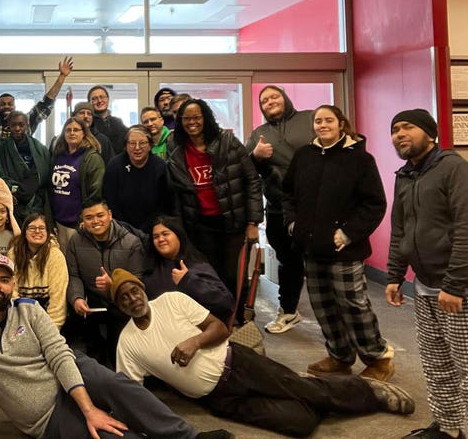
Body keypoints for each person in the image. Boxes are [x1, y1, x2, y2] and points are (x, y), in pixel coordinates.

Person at [0, 254, 230, 439]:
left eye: (5, 280)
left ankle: (187, 436)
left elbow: (59, 354)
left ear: (14, 286)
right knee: (110, 433)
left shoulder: (29, 309)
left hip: (69, 370)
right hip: (45, 414)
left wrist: (88, 407)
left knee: (119, 385)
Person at [110, 269, 416, 438]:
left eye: (134, 290)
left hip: (238, 363)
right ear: (119, 306)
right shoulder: (128, 342)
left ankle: (370, 391)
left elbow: (219, 328)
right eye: (124, 297)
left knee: (310, 392)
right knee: (301, 424)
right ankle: (310, 390)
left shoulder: (171, 301)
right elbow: (130, 391)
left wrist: (193, 343)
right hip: (218, 399)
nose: (132, 298)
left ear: (142, 289)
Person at [385, 109, 468, 439]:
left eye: (408, 128)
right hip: (426, 288)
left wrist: (455, 285)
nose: (400, 134)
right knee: (438, 366)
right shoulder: (405, 175)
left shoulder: (455, 169)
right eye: (394, 130)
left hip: (463, 290)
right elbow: (400, 228)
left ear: (430, 133)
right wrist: (393, 275)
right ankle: (448, 428)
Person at [282, 104, 393, 380]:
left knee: (352, 303)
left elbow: (374, 204)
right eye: (318, 121)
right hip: (310, 246)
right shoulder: (304, 155)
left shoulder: (360, 160)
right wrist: (292, 222)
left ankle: (378, 357)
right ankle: (340, 356)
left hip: (345, 248)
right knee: (323, 305)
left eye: (328, 120)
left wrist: (348, 232)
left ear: (341, 124)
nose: (322, 125)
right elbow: (287, 193)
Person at [167, 98, 262, 323]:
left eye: (196, 117)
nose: (192, 122)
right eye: (186, 118)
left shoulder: (227, 142)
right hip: (199, 225)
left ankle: (238, 320)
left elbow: (252, 180)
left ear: (206, 118)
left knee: (234, 276)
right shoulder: (177, 149)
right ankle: (216, 321)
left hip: (233, 223)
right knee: (208, 274)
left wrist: (253, 222)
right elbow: (177, 193)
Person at [244, 85, 314, 334]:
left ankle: (335, 314)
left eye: (274, 96)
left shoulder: (310, 119)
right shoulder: (259, 133)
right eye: (264, 100)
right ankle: (288, 311)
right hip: (278, 208)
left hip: (315, 206)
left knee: (321, 261)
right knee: (289, 261)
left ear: (285, 98)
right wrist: (256, 155)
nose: (270, 101)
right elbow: (246, 169)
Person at [66, 202, 145, 367]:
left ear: (109, 214)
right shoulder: (75, 240)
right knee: (90, 353)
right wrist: (77, 298)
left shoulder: (131, 242)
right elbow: (74, 275)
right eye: (89, 218)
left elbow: (138, 281)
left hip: (122, 305)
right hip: (92, 304)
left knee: (119, 353)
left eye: (100, 215)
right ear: (82, 220)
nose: (95, 221)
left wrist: (114, 285)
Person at [0, 56, 73, 152]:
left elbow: (46, 103)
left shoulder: (27, 121)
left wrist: (61, 77)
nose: (6, 106)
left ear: (14, 106)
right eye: (2, 104)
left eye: (10, 104)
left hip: (23, 171)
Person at [145, 216, 233, 322]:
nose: (160, 239)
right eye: (155, 237)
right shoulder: (150, 271)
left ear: (178, 236)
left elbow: (226, 303)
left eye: (165, 234)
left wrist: (188, 281)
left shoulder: (197, 265)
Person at [48, 118, 104, 250]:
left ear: (84, 133)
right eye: (68, 130)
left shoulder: (92, 158)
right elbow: (50, 189)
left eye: (76, 130)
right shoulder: (58, 156)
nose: (72, 133)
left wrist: (86, 217)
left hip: (78, 225)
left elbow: (96, 191)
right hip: (58, 224)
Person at [102, 125, 168, 232]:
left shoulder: (160, 167)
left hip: (153, 228)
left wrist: (146, 229)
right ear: (126, 146)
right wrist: (127, 230)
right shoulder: (114, 166)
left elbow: (163, 204)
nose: (137, 148)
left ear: (150, 145)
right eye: (132, 143)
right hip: (120, 229)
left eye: (142, 143)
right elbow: (110, 202)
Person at [9, 213, 69, 329]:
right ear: (24, 232)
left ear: (48, 232)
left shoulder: (55, 256)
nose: (37, 231)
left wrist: (51, 332)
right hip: (19, 318)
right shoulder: (13, 254)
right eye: (32, 228)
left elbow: (58, 300)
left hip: (47, 319)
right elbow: (11, 292)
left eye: (41, 228)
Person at [0, 110, 50, 225]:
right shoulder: (1, 151)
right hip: (13, 202)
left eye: (21, 124)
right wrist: (16, 190)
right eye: (14, 125)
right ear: (8, 126)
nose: (17, 128)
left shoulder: (40, 149)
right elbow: (0, 177)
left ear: (27, 125)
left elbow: (43, 174)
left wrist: (25, 190)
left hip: (36, 203)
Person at [87, 85, 128, 155]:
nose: (99, 101)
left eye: (102, 97)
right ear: (89, 103)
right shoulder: (88, 124)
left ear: (108, 99)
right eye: (94, 99)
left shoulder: (118, 122)